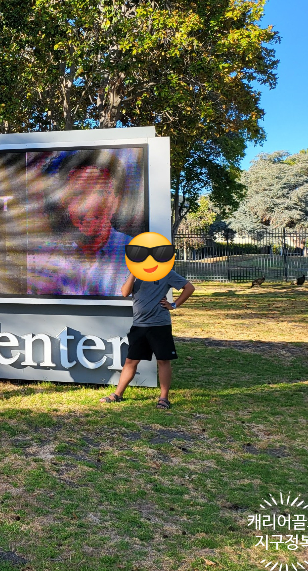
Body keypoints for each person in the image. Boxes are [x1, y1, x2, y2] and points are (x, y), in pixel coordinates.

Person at [27, 149, 134, 296]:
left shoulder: (137, 254)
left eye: (100, 192)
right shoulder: (46, 259)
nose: (88, 205)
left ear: (117, 201)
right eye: (78, 194)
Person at [101, 268, 195, 409]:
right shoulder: (135, 273)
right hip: (139, 325)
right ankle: (118, 395)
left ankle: (164, 399)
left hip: (160, 325)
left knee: (163, 360)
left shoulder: (165, 272)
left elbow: (189, 288)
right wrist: (134, 273)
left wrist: (174, 305)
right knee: (131, 361)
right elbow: (125, 293)